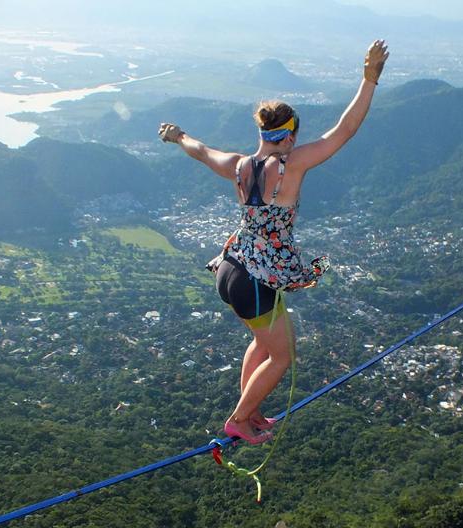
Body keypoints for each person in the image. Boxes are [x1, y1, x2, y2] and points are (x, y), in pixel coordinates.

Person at [158, 40, 389, 444]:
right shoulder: (292, 164)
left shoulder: (237, 165)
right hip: (256, 278)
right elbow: (346, 129)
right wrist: (368, 79)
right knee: (282, 356)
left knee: (262, 344)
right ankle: (240, 419)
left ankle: (251, 409)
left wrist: (178, 136)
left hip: (230, 267)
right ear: (290, 135)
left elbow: (200, 151)